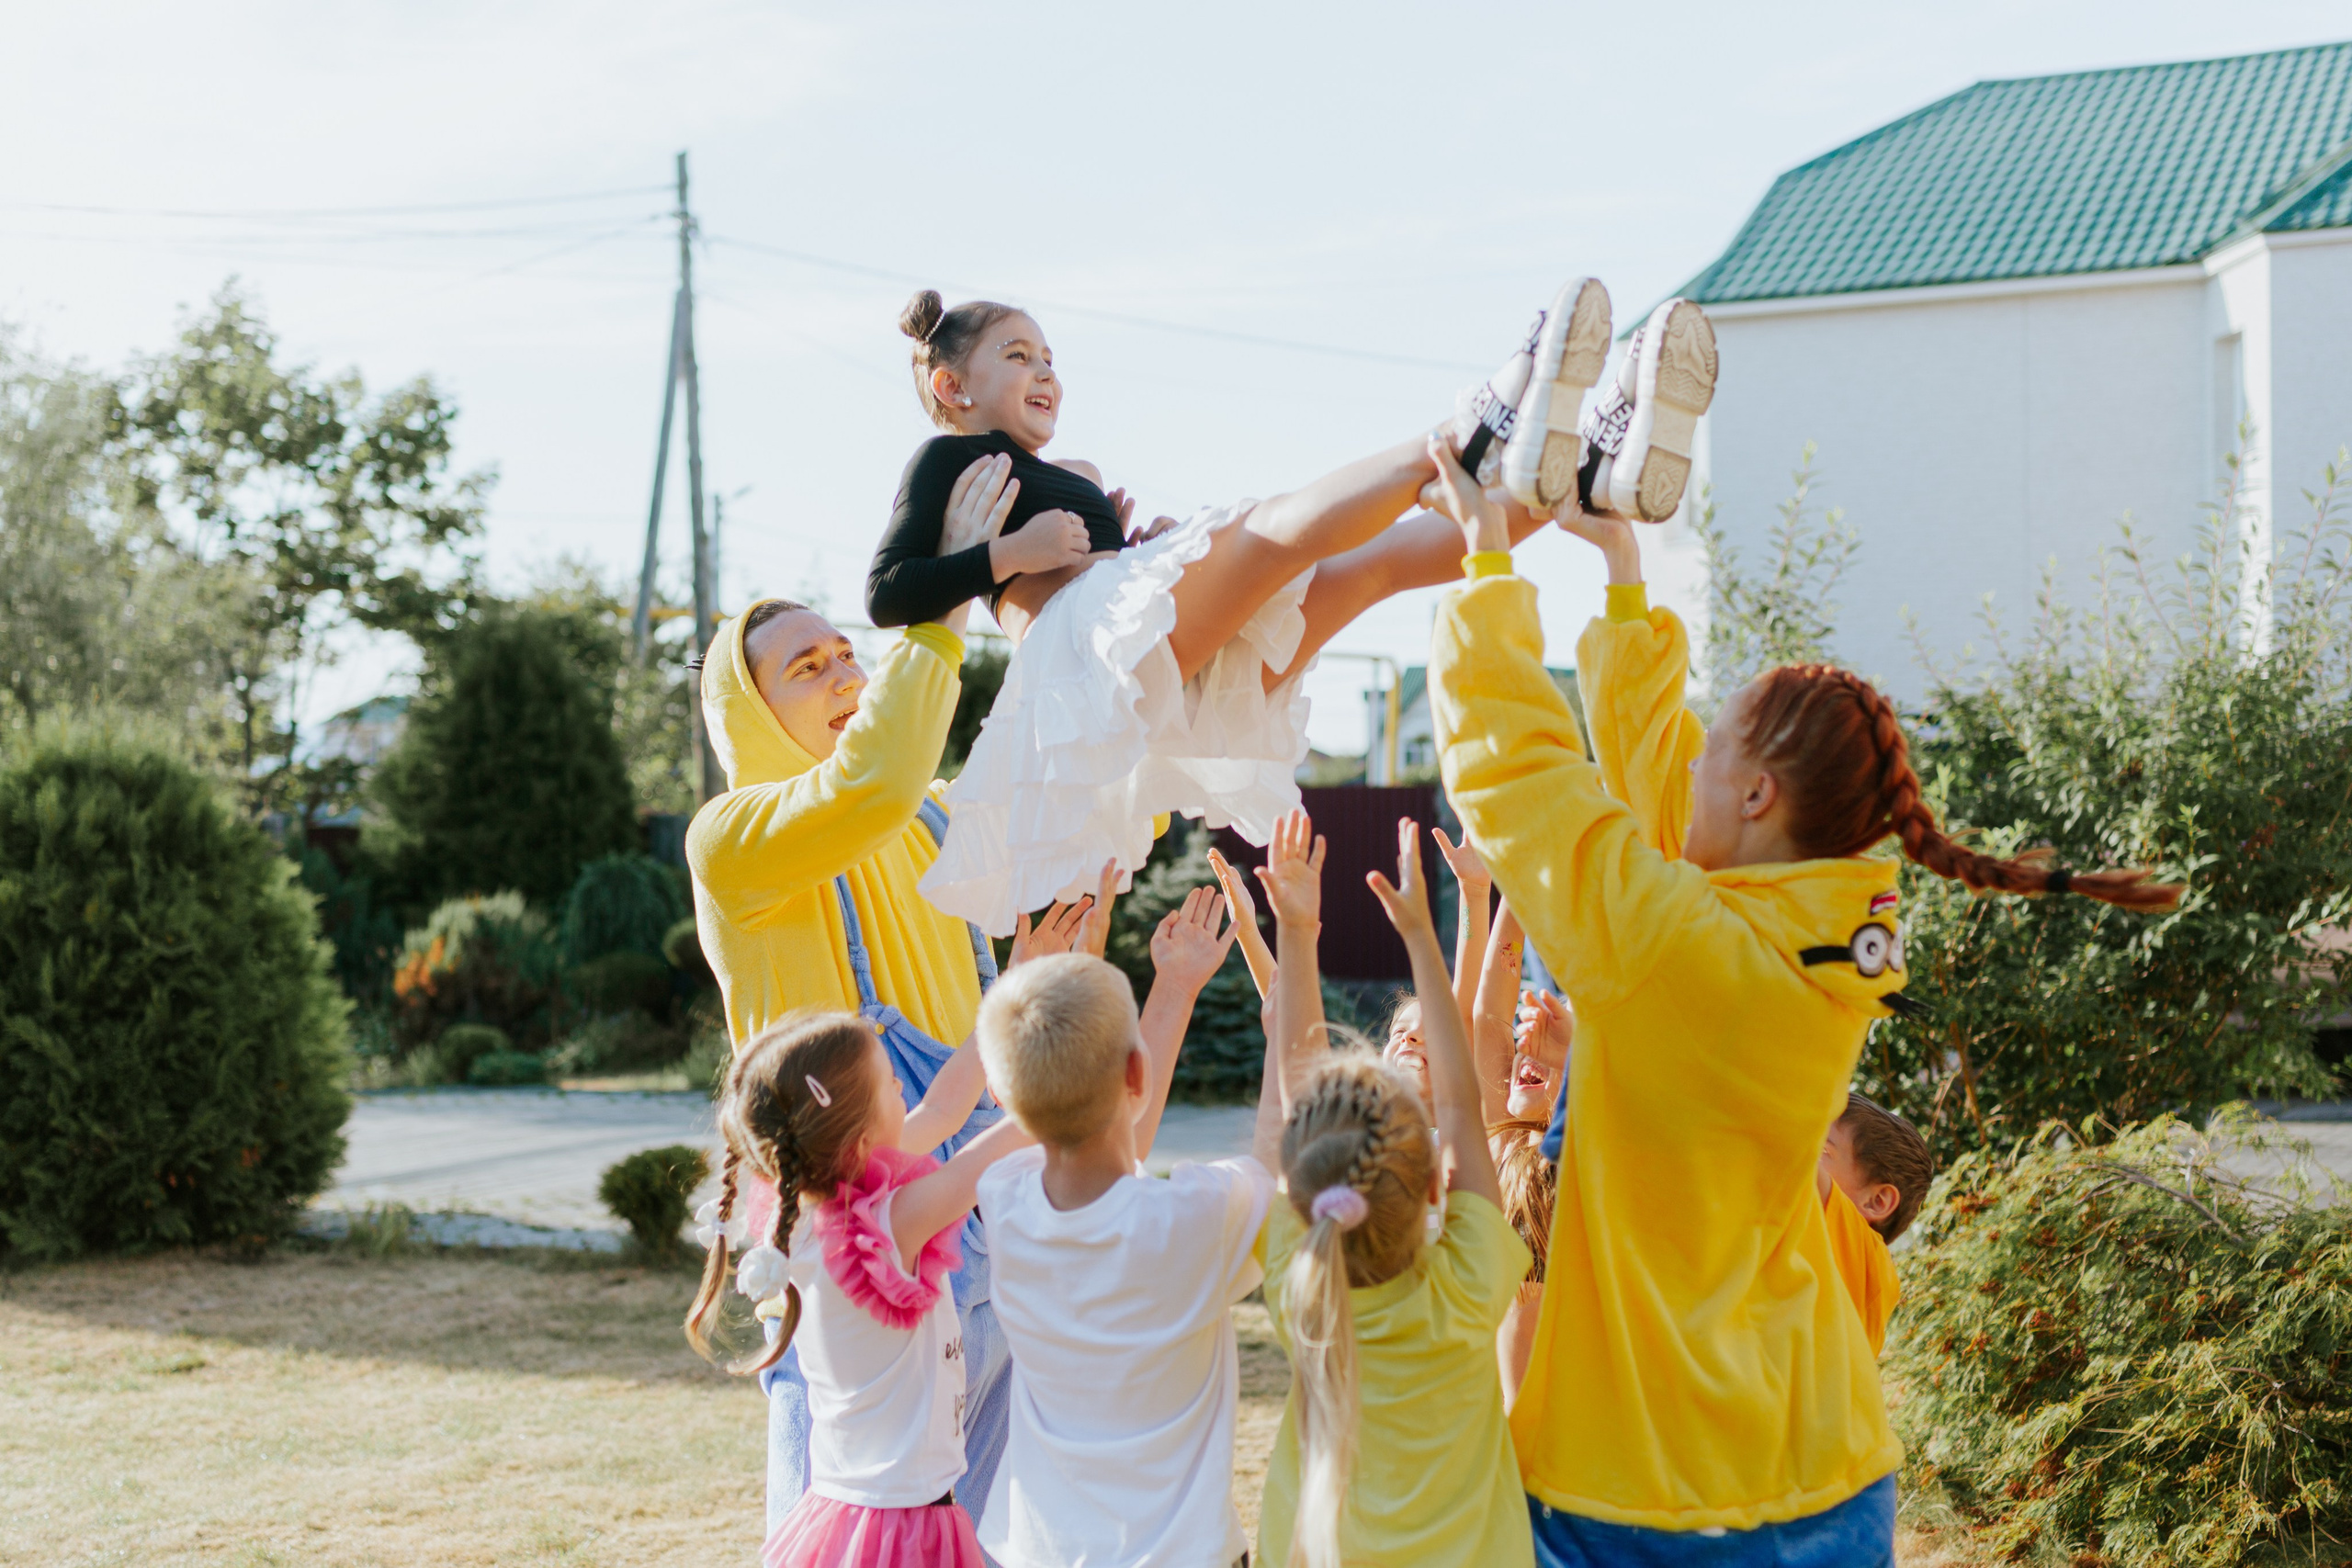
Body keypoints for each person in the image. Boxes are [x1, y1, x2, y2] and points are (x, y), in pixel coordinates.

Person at [1419, 444, 2180, 1564]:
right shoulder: (1840, 931)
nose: (1690, 774)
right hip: (1822, 1462)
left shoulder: (1676, 944)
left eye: (1714, 756)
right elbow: (1673, 789)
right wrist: (1622, 576)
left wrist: (1488, 573)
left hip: (1642, 1481)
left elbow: (1524, 782)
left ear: (1760, 795)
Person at [865, 278, 1719, 936]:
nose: (1045, 370)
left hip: (1146, 660)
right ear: (952, 385)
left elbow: (1109, 579)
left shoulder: (1079, 476)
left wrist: (1142, 552)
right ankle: (1473, 430)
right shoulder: (946, 459)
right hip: (1081, 657)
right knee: (1265, 530)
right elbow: (887, 592)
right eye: (1018, 355)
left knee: (1364, 570)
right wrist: (1009, 555)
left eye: (1049, 356)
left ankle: (1584, 481)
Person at [684, 473, 1066, 1529]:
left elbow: (1070, 800)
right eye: (808, 668)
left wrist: (1091, 604)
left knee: (964, 1528)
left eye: (849, 651)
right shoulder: (737, 838)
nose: (844, 671)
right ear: (749, 713)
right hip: (848, 1251)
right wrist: (944, 593)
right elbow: (872, 783)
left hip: (980, 1212)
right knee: (839, 1522)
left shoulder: (933, 820)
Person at [1253, 809, 1536, 1568]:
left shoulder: (1299, 1285)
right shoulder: (1469, 1280)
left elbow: (1297, 1084)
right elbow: (1460, 1104)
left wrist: (1297, 929)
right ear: (1436, 1184)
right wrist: (1421, 935)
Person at [968, 897, 1273, 1568]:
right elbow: (1275, 1159)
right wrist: (1283, 1009)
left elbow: (1093, 1120)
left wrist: (1163, 988)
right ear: (1136, 1073)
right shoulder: (1191, 1218)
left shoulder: (1004, 1198)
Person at [685, 1011, 1036, 1567]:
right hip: (903, 1528)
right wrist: (1073, 1073)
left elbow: (943, 1111)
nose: (902, 1083)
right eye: (889, 1081)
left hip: (847, 1516)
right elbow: (981, 1162)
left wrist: (999, 1010)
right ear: (859, 1136)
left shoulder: (802, 1205)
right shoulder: (885, 1229)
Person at [1468, 902, 1566, 1405]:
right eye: (1525, 1038)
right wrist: (1515, 888)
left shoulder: (1588, 1151)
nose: (1526, 1051)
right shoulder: (1502, 1137)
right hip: (1506, 1422)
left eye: (1549, 1041)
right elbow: (1488, 1018)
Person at [1817, 1092, 1933, 1357]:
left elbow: (1792, 1155)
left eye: (1822, 1149)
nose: (1807, 1153)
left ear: (1877, 1201)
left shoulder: (1867, 1259)